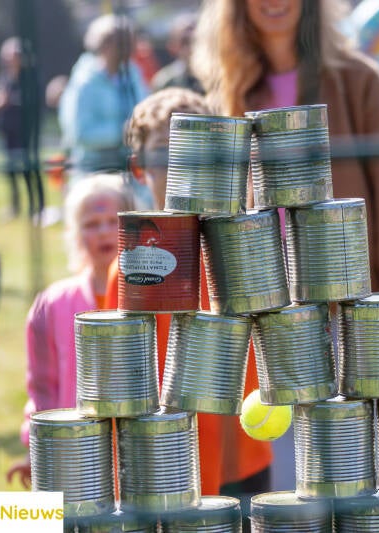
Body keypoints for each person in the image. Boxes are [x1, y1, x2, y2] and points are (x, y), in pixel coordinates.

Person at [192, 0, 379, 496]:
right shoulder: (229, 92)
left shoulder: (359, 81)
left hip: (351, 319)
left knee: (360, 486)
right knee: (292, 494)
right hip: (270, 324)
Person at [103, 88, 274, 513]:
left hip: (240, 449)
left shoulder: (243, 250)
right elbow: (115, 370)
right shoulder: (130, 264)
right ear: (138, 168)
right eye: (164, 149)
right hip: (164, 454)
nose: (180, 160)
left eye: (194, 147)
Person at [7, 174, 132, 487]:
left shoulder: (150, 299)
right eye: (92, 224)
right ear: (76, 234)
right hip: (75, 451)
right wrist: (34, 448)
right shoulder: (52, 304)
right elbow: (42, 387)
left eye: (112, 221)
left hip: (137, 451)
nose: (104, 231)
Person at [58, 13, 149, 182]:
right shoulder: (84, 83)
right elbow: (79, 134)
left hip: (131, 171)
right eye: (122, 42)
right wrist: (123, 133)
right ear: (104, 44)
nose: (130, 48)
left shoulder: (134, 75)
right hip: (93, 173)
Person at [0, 37, 27, 219]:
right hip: (7, 131)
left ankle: (38, 207)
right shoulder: (3, 78)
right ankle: (15, 206)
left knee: (29, 171)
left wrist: (9, 100)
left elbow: (32, 102)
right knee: (11, 171)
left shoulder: (29, 78)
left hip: (25, 133)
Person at [150, 13, 204, 94]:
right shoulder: (165, 82)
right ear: (173, 47)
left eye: (196, 41)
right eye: (185, 42)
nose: (191, 48)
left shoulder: (217, 77)